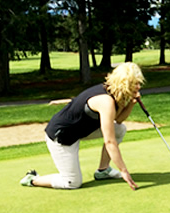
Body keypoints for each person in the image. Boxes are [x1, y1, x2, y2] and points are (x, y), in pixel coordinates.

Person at [20, 62, 144, 190]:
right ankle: (33, 179)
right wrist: (123, 170)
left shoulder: (113, 93)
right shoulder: (105, 101)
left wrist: (131, 104)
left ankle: (103, 170)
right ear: (125, 83)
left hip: (79, 132)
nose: (139, 86)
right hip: (61, 137)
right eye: (135, 83)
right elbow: (109, 141)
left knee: (120, 129)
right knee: (72, 182)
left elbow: (117, 120)